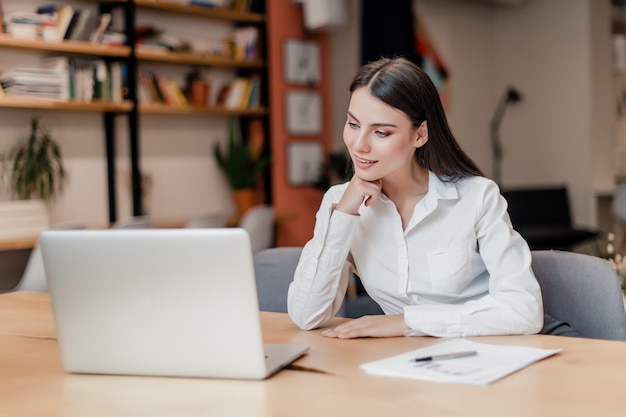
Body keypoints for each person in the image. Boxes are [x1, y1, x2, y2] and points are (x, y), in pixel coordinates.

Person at [287, 57, 548, 339]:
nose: (359, 144)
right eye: (353, 124)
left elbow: (524, 310)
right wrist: (344, 214)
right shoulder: (341, 203)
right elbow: (307, 315)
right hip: (412, 363)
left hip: (493, 354)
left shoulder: (476, 197)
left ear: (420, 134)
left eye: (381, 132)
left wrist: (407, 321)